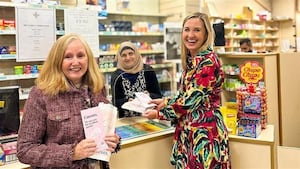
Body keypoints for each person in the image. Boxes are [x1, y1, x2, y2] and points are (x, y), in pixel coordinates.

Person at [16, 33, 121, 169]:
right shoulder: (42, 94)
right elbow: (25, 150)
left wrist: (113, 141)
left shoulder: (97, 88)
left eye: (81, 56)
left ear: (88, 59)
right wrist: (72, 153)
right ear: (57, 61)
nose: (75, 62)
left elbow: (104, 129)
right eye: (68, 57)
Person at [143, 12, 231, 169]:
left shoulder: (208, 62)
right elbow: (186, 94)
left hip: (205, 135)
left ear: (206, 34)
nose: (191, 35)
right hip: (190, 133)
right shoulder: (192, 61)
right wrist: (165, 101)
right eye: (187, 29)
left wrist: (159, 113)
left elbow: (190, 101)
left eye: (197, 30)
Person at [111, 41, 163, 118]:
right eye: (124, 55)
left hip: (149, 117)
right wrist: (127, 101)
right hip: (127, 121)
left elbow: (158, 96)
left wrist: (149, 95)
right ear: (119, 57)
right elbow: (116, 102)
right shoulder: (117, 76)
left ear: (136, 54)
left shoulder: (148, 71)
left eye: (131, 53)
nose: (128, 58)